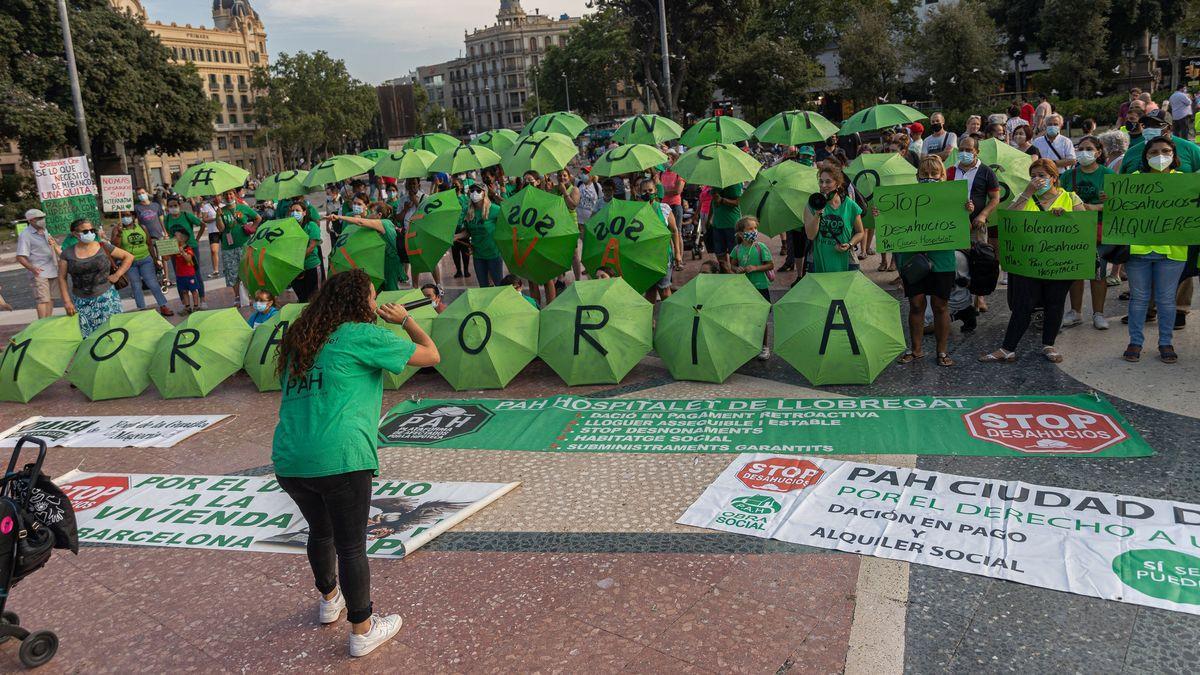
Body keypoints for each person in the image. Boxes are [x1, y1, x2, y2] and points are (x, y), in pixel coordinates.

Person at [272, 268, 439, 657]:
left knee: (320, 530)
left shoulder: (301, 338)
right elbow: (431, 355)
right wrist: (406, 320)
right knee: (351, 546)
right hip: (341, 458)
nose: (374, 301)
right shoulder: (363, 335)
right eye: (371, 295)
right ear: (357, 301)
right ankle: (362, 629)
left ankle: (330, 599)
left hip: (290, 459)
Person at [979, 159, 1086, 364]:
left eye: (1042, 176)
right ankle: (1007, 348)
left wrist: (1065, 217)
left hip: (1059, 262)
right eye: (1033, 176)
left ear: (1054, 178)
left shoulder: (1070, 198)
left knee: (1055, 303)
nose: (1037, 180)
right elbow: (1009, 220)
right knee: (1023, 305)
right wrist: (1027, 193)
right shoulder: (1025, 197)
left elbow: (1082, 225)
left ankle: (1049, 345)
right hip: (1029, 262)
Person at [881, 158, 973, 367]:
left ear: (942, 176)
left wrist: (965, 212)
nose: (929, 178)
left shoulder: (952, 197)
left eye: (934, 174)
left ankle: (942, 352)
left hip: (941, 258)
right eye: (924, 174)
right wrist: (881, 214)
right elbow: (892, 223)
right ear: (918, 176)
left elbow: (964, 230)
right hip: (913, 257)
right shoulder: (906, 197)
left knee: (941, 305)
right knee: (916, 304)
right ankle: (916, 350)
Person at [1122, 135, 1188, 364]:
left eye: (1165, 151)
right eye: (1154, 152)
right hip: (1139, 250)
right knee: (1138, 299)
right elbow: (1123, 211)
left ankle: (1165, 342)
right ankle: (1135, 342)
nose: (1160, 156)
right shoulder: (1133, 180)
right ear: (1145, 156)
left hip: (1172, 251)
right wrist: (1111, 199)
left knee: (1167, 300)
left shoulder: (1184, 181)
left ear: (1174, 155)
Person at [1058, 135, 1114, 330]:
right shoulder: (1066, 176)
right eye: (1080, 148)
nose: (1084, 152)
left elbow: (1117, 204)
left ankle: (1098, 313)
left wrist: (1094, 208)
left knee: (1098, 272)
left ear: (1098, 152)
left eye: (1089, 149)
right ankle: (1075, 312)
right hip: (1072, 230)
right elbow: (1057, 199)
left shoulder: (1108, 175)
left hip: (1098, 231)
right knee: (1076, 271)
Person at [57, 218, 135, 338]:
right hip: (81, 302)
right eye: (85, 231)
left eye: (92, 230)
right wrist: (67, 302)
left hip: (107, 299)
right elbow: (62, 278)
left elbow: (128, 257)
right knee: (89, 338)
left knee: (114, 334)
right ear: (74, 234)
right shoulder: (67, 253)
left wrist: (117, 275)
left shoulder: (103, 246)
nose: (90, 233)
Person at [328, 197, 404, 292]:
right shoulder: (384, 223)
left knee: (391, 290)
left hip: (390, 263)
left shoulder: (384, 223)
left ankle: (396, 306)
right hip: (384, 260)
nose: (370, 214)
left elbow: (360, 222)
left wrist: (338, 217)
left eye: (372, 212)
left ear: (379, 215)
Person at [110, 210, 174, 316]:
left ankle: (163, 306)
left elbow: (149, 243)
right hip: (129, 263)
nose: (126, 218)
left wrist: (154, 259)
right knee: (136, 286)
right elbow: (114, 246)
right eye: (123, 216)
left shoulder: (142, 227)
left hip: (146, 260)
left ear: (133, 216)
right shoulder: (117, 229)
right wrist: (119, 234)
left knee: (153, 284)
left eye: (128, 215)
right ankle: (142, 309)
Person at [803, 166, 864, 273]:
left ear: (838, 184)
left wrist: (849, 244)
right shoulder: (811, 205)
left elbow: (860, 232)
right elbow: (810, 235)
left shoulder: (850, 205)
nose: (823, 185)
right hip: (819, 260)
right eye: (821, 181)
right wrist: (817, 214)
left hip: (846, 261)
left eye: (828, 182)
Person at [730, 216, 774, 360]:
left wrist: (755, 268)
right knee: (745, 316)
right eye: (750, 229)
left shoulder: (760, 247)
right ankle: (749, 344)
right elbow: (732, 264)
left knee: (761, 318)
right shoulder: (737, 249)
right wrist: (737, 269)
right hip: (744, 288)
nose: (754, 231)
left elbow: (770, 265)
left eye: (755, 228)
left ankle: (764, 346)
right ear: (741, 234)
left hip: (760, 286)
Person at [215, 189, 261, 307]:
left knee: (247, 270)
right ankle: (237, 297)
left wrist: (253, 228)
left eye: (230, 194)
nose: (228, 197)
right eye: (226, 195)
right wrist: (219, 216)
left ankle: (250, 294)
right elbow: (221, 229)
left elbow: (258, 218)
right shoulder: (221, 211)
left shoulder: (243, 207)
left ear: (234, 195)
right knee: (232, 272)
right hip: (228, 247)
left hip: (244, 244)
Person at [1118, 110, 1200, 173]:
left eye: (1156, 125)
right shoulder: (1131, 152)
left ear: (1169, 128)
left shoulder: (1190, 149)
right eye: (1146, 125)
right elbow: (1120, 185)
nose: (1150, 128)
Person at [16, 208, 61, 318]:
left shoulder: (45, 230)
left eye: (43, 218)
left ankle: (48, 322)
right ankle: (41, 325)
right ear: (31, 221)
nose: (42, 220)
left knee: (51, 298)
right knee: (42, 300)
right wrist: (33, 269)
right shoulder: (25, 235)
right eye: (39, 218)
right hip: (39, 272)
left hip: (53, 269)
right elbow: (20, 257)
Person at [459, 184, 504, 286]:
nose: (475, 193)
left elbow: (506, 223)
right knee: (483, 286)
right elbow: (467, 232)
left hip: (494, 254)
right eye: (472, 190)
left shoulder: (495, 209)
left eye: (478, 190)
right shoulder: (467, 210)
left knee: (499, 285)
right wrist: (455, 237)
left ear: (484, 193)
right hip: (478, 255)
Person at [288, 201, 324, 302]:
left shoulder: (311, 226)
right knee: (302, 298)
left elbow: (312, 246)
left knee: (315, 297)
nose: (294, 213)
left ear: (304, 212)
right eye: (292, 211)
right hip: (296, 269)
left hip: (311, 266)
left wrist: (298, 259)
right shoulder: (289, 227)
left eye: (297, 210)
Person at [709, 178, 743, 273]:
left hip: (731, 224)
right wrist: (709, 219)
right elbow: (713, 202)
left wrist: (722, 200)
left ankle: (736, 276)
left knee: (735, 254)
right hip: (717, 224)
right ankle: (725, 274)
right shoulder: (714, 183)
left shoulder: (735, 183)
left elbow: (738, 202)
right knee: (720, 253)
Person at [171, 229, 201, 313]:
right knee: (184, 291)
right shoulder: (175, 249)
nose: (173, 238)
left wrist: (182, 252)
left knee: (193, 290)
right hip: (180, 274)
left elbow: (188, 259)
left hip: (189, 274)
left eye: (175, 236)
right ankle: (187, 307)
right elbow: (166, 258)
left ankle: (196, 306)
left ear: (182, 238)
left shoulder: (188, 248)